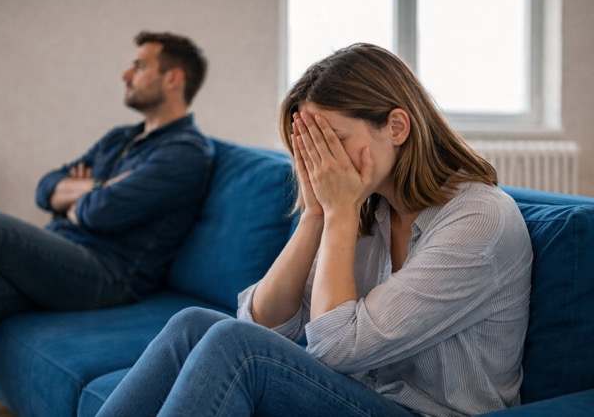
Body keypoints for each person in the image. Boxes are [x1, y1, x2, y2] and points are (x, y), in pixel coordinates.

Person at [94, 44, 533, 417]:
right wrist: (315, 215)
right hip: (363, 397)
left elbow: (335, 346)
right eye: (309, 148)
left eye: (334, 141)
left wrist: (340, 211)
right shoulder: (368, 210)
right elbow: (262, 322)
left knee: (236, 347)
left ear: (396, 127)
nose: (322, 164)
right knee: (193, 324)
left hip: (428, 412)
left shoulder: (479, 219)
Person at [0, 31, 214, 400]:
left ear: (173, 78)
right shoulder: (120, 137)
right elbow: (45, 187)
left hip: (107, 275)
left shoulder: (185, 154)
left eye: (139, 66)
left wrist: (87, 192)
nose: (125, 74)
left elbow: (101, 213)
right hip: (63, 254)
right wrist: (102, 185)